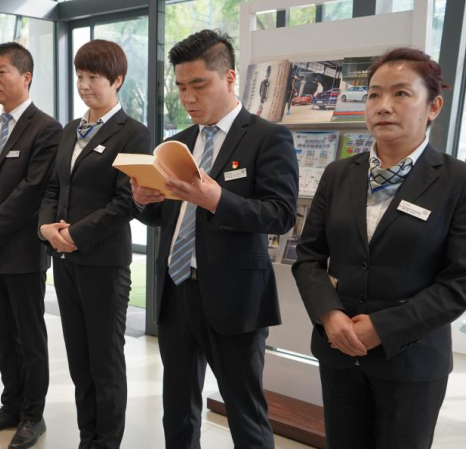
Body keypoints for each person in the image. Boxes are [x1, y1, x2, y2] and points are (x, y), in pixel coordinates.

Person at [292, 48, 466, 449]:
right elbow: (308, 256)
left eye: (401, 94)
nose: (383, 106)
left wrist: (384, 328)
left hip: (412, 361)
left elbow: (462, 281)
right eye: (374, 94)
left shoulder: (461, 181)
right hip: (339, 353)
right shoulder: (339, 174)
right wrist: (329, 315)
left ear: (433, 107)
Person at [132, 29, 298, 449]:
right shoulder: (177, 143)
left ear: (229, 78)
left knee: (245, 409)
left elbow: (280, 215)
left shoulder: (267, 137)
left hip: (235, 297)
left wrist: (217, 199)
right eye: (181, 87)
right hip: (176, 290)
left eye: (198, 85)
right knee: (177, 406)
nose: (188, 98)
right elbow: (165, 216)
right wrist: (143, 201)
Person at [38, 39, 150, 449]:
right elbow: (54, 187)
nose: (84, 85)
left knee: (105, 360)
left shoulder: (134, 133)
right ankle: (88, 437)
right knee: (79, 359)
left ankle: (107, 442)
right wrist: (47, 228)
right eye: (80, 76)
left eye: (94, 78)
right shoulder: (71, 130)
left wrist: (74, 235)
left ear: (117, 80)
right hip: (65, 262)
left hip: (104, 263)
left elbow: (126, 203)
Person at [0, 42, 61, 448]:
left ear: (26, 76)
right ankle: (11, 405)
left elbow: (32, 191)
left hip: (21, 252)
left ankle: (33, 415)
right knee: (1, 334)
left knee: (29, 337)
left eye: (2, 71)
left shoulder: (46, 129)